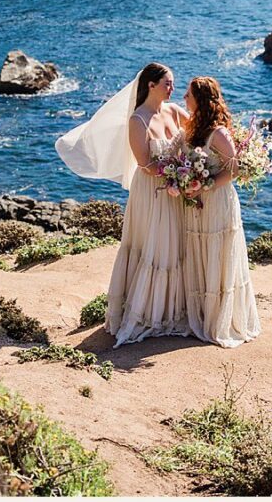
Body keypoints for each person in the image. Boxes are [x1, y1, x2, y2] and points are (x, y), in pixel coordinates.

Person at [55, 62, 189, 345]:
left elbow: (200, 134)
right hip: (152, 191)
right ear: (151, 85)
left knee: (175, 246)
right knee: (153, 247)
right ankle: (148, 314)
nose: (172, 88)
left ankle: (173, 308)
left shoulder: (175, 111)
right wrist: (179, 172)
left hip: (176, 188)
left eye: (173, 83)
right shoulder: (137, 120)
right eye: (168, 83)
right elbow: (145, 163)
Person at [179, 76, 260, 347]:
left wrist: (205, 185)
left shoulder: (219, 133)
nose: (184, 99)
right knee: (200, 253)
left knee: (218, 254)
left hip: (217, 201)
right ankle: (202, 315)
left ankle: (220, 321)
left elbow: (233, 170)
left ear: (200, 100)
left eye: (188, 95)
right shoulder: (194, 129)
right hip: (198, 200)